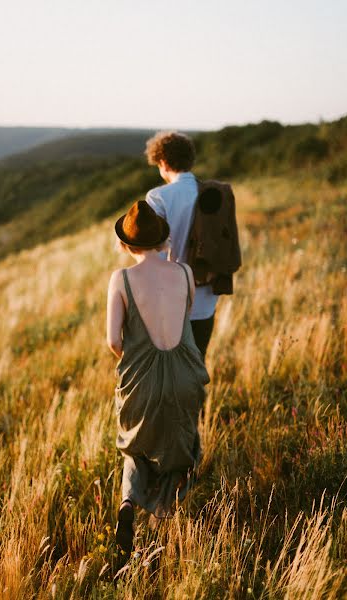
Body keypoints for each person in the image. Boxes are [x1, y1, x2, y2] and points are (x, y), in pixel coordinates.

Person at [107, 200, 209, 555]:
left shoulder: (120, 279)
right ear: (159, 239)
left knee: (136, 445)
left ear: (126, 243)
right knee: (180, 443)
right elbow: (186, 314)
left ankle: (129, 504)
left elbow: (113, 340)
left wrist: (137, 360)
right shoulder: (183, 273)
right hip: (185, 371)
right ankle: (164, 517)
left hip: (142, 376)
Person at [145, 131, 218, 359]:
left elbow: (151, 256)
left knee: (169, 370)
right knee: (197, 365)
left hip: (170, 300)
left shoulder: (158, 197)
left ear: (163, 162)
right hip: (207, 298)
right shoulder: (215, 193)